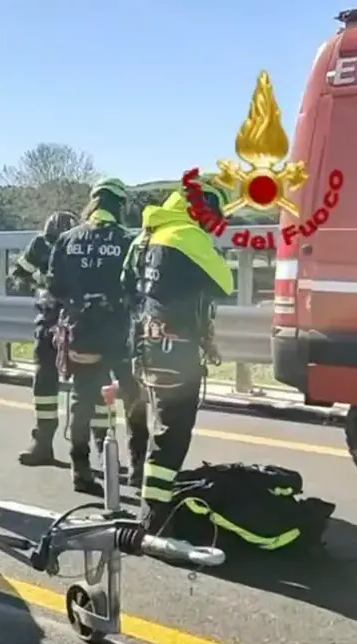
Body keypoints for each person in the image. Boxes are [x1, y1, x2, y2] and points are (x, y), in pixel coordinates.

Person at [120, 177, 234, 533]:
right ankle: (153, 515)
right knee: (172, 431)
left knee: (144, 417)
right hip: (176, 350)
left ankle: (139, 480)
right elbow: (225, 286)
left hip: (139, 346)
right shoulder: (188, 238)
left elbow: (126, 284)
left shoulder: (143, 238)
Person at [46, 178, 135, 493]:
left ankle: (80, 467)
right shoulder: (128, 240)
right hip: (121, 334)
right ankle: (138, 468)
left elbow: (54, 286)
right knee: (133, 395)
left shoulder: (68, 239)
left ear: (94, 202)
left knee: (83, 400)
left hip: (81, 332)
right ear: (120, 206)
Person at [15, 210, 78, 466]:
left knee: (92, 383)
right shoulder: (40, 244)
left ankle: (98, 448)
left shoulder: (83, 243)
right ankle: (43, 441)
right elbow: (19, 272)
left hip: (80, 318)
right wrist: (44, 280)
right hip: (50, 318)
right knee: (44, 380)